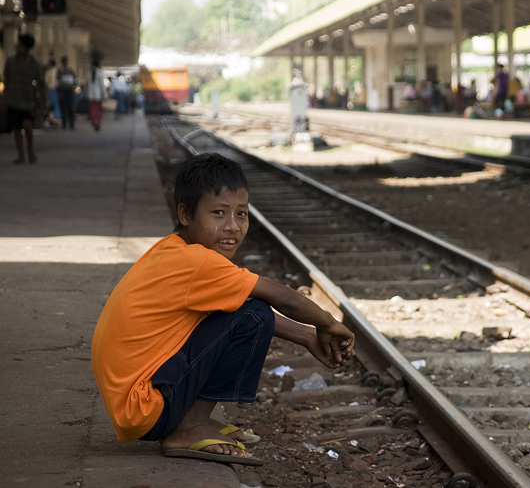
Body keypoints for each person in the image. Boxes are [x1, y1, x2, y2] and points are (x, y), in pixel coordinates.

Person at [91, 153, 356, 466]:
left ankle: (190, 419)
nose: (233, 226)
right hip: (146, 407)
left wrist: (307, 336)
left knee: (246, 309)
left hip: (136, 402)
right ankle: (188, 426)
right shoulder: (198, 263)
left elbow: (239, 305)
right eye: (218, 213)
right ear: (185, 214)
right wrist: (328, 323)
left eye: (241, 214)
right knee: (252, 316)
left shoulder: (175, 249)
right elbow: (284, 299)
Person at [2, 34, 48, 164]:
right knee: (16, 127)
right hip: (13, 98)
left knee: (27, 124)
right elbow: (7, 80)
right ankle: (21, 154)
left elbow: (42, 83)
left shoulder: (35, 64)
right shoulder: (10, 62)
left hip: (28, 99)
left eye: (20, 44)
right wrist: (3, 99)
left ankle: (30, 148)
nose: (17, 46)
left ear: (26, 47)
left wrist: (45, 102)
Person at [84, 54, 106, 131]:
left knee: (92, 109)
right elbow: (102, 86)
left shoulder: (88, 73)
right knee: (100, 109)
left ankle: (94, 122)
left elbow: (85, 85)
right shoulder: (100, 73)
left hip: (90, 95)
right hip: (98, 95)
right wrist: (105, 95)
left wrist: (85, 94)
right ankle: (98, 121)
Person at [56, 56, 77, 129]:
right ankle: (64, 123)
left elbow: (75, 80)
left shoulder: (70, 71)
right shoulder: (60, 71)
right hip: (62, 91)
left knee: (70, 107)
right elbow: (57, 82)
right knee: (63, 107)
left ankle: (71, 123)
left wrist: (74, 87)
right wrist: (58, 92)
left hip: (69, 91)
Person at [45, 58, 61, 125]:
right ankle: (57, 117)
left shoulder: (49, 71)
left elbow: (46, 81)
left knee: (51, 104)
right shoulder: (58, 70)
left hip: (51, 89)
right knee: (56, 103)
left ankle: (53, 118)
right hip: (56, 89)